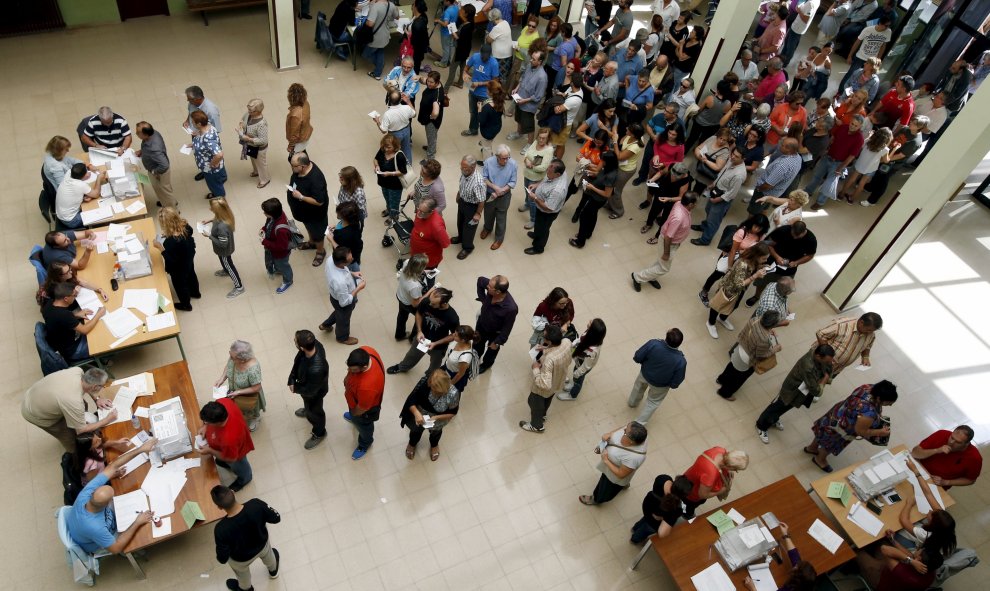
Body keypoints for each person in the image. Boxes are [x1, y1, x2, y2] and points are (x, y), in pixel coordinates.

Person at [66, 436, 158, 554]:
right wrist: (137, 523)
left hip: (92, 525)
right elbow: (116, 548)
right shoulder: (95, 527)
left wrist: (141, 449)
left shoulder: (86, 493)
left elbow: (112, 466)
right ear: (107, 504)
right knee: (142, 531)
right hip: (98, 542)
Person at [805, 380, 898, 472]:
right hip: (842, 429)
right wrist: (879, 432)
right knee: (830, 443)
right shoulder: (869, 413)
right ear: (878, 398)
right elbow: (861, 431)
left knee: (823, 432)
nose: (890, 405)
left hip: (837, 414)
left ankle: (812, 448)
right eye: (888, 403)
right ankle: (819, 459)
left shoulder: (867, 387)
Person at [21, 367, 117, 453]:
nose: (103, 387)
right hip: (35, 412)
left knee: (82, 406)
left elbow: (88, 388)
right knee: (71, 439)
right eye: (102, 386)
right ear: (95, 387)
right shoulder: (73, 401)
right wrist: (106, 420)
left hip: (38, 395)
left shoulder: (77, 371)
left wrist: (97, 399)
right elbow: (81, 430)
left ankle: (77, 421)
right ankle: (77, 458)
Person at [755, 345, 834, 444]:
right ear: (818, 356)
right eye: (827, 362)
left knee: (784, 408)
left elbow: (828, 369)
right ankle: (761, 425)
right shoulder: (808, 366)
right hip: (791, 390)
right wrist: (825, 379)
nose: (829, 363)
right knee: (777, 406)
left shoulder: (816, 355)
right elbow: (816, 390)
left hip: (800, 391)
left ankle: (773, 419)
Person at [211, 486, 281, 591]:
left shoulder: (220, 529)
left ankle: (246, 588)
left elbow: (222, 558)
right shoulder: (256, 504)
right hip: (262, 545)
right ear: (233, 492)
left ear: (219, 507)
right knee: (270, 556)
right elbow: (276, 518)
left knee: (242, 576)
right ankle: (273, 571)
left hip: (240, 559)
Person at [631, 193, 697, 291]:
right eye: (696, 203)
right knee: (664, 268)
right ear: (691, 204)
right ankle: (638, 277)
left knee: (660, 262)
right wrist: (666, 253)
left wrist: (669, 198)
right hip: (669, 244)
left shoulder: (680, 203)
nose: (697, 205)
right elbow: (668, 236)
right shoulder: (679, 218)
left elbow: (678, 199)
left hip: (673, 242)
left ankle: (651, 277)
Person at [705, 242, 772, 339]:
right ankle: (710, 323)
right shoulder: (742, 264)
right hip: (729, 288)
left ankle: (722, 318)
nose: (766, 260)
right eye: (764, 258)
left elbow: (751, 271)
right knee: (718, 305)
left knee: (735, 305)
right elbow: (738, 284)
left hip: (740, 290)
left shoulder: (754, 261)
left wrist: (761, 267)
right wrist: (755, 276)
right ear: (757, 255)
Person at [388, 286, 459, 376]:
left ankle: (430, 377)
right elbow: (418, 314)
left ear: (444, 304)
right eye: (430, 301)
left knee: (435, 365)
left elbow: (454, 335)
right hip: (422, 338)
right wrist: (419, 331)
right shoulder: (427, 302)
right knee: (412, 355)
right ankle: (403, 367)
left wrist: (435, 343)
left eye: (433, 304)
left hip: (438, 346)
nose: (430, 304)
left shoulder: (452, 317)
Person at [744, 220, 817, 305]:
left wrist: (796, 262)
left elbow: (810, 255)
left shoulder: (811, 240)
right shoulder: (783, 230)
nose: (794, 238)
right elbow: (769, 244)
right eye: (793, 234)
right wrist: (777, 257)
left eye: (797, 236)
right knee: (762, 281)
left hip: (790, 267)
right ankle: (756, 296)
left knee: (783, 287)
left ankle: (774, 302)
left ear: (804, 232)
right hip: (771, 262)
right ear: (791, 228)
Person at [715, 310, 783, 401]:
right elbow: (761, 355)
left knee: (731, 366)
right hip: (746, 359)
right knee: (738, 378)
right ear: (773, 324)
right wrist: (775, 349)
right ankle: (725, 392)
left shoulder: (755, 320)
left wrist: (769, 330)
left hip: (739, 348)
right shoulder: (764, 339)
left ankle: (721, 379)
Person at [579, 421, 648, 505]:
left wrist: (606, 460)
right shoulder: (636, 432)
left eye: (625, 431)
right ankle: (624, 485)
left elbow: (621, 474)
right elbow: (622, 428)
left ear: (631, 441)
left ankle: (596, 499)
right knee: (621, 482)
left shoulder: (634, 458)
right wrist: (609, 434)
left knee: (605, 489)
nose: (624, 429)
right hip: (616, 467)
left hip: (613, 477)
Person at [627, 328, 687, 423]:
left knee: (638, 388)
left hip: (645, 374)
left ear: (666, 338)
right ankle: (639, 423)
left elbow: (638, 356)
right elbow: (677, 380)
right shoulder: (681, 361)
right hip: (661, 385)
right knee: (653, 402)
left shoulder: (654, 344)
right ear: (680, 343)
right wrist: (671, 385)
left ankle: (632, 403)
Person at [690, 148, 747, 246]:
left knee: (714, 220)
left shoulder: (739, 175)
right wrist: (714, 184)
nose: (732, 157)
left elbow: (731, 194)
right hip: (716, 190)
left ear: (743, 159)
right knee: (708, 210)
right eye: (733, 153)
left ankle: (705, 240)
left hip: (722, 198)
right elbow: (722, 173)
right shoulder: (731, 160)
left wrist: (718, 199)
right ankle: (704, 226)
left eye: (736, 156)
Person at [806, 115, 865, 209]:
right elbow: (833, 138)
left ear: (860, 126)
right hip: (828, 157)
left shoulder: (859, 139)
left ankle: (820, 202)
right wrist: (825, 149)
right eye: (852, 123)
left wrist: (841, 168)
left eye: (856, 125)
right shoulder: (843, 127)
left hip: (839, 163)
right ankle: (807, 192)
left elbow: (851, 156)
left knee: (829, 184)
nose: (852, 126)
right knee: (816, 176)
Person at [401, 369, 461, 461]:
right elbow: (412, 399)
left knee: (436, 433)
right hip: (420, 414)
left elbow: (453, 412)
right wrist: (416, 413)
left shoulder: (453, 393)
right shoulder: (424, 383)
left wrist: (436, 417)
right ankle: (412, 443)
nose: (435, 393)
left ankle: (434, 445)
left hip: (438, 418)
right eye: (433, 389)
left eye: (439, 392)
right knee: (415, 431)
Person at [199, 397, 255, 493]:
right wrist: (205, 426)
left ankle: (245, 479)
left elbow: (231, 458)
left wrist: (210, 450)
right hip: (225, 447)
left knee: (239, 466)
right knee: (224, 460)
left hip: (235, 454)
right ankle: (223, 462)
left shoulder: (229, 439)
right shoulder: (223, 403)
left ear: (217, 422)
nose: (206, 423)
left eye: (207, 422)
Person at [744, 522, 817, 591]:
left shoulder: (789, 589)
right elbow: (794, 555)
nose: (795, 565)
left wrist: (752, 588)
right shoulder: (805, 582)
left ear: (795, 580)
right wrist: (785, 535)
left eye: (795, 568)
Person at [342, 346, 386, 460]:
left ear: (364, 367)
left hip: (364, 409)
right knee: (356, 417)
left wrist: (354, 414)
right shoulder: (367, 351)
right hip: (355, 398)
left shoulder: (367, 386)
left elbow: (362, 408)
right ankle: (354, 418)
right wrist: (348, 377)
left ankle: (364, 444)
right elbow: (351, 370)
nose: (350, 371)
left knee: (364, 426)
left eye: (354, 370)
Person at [42, 282, 104, 362]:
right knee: (102, 338)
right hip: (73, 350)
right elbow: (84, 330)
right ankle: (104, 359)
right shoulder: (64, 315)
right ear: (66, 299)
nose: (75, 297)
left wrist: (76, 315)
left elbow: (57, 320)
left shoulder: (49, 304)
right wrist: (99, 314)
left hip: (58, 342)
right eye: (74, 295)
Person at [288, 329, 330, 450]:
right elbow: (296, 364)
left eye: (295, 341)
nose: (294, 341)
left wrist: (295, 388)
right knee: (308, 404)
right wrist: (291, 379)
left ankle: (319, 433)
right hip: (307, 386)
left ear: (301, 347)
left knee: (315, 412)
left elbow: (310, 391)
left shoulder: (317, 368)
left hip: (314, 393)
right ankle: (307, 409)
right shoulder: (313, 345)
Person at [286, 153, 329, 267]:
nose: (292, 168)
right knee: (309, 227)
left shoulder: (315, 179)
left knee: (318, 233)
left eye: (294, 166)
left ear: (303, 166)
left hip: (315, 214)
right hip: (304, 212)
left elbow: (319, 201)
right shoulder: (299, 171)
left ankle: (320, 251)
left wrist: (301, 197)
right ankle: (311, 243)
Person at [153, 207, 200, 312]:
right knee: (191, 274)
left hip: (178, 267)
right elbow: (190, 232)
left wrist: (161, 248)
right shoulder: (185, 226)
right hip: (189, 257)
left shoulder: (169, 242)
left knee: (180, 285)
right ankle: (195, 293)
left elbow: (171, 260)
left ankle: (186, 305)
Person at [681, 447, 750, 517]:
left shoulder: (720, 450)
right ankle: (687, 514)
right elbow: (702, 495)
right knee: (689, 506)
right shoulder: (711, 474)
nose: (735, 471)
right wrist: (721, 491)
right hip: (691, 493)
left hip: (688, 477)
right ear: (730, 466)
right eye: (736, 469)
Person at [569, 150, 618, 248]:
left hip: (597, 199)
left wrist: (592, 188)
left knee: (584, 216)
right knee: (592, 214)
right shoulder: (609, 168)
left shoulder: (611, 176)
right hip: (595, 197)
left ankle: (580, 241)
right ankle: (588, 233)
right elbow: (601, 176)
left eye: (603, 160)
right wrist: (594, 174)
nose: (601, 161)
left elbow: (607, 194)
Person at [214, 340, 265, 432]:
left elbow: (257, 387)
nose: (230, 358)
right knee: (238, 406)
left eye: (232, 357)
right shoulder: (233, 358)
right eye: (230, 354)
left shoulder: (252, 370)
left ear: (242, 360)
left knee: (250, 408)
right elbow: (228, 366)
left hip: (248, 394)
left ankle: (255, 418)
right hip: (235, 390)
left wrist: (238, 392)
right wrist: (222, 378)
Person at [320, 246, 365, 345]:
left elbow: (343, 270)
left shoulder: (331, 259)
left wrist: (352, 273)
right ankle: (342, 338)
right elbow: (344, 302)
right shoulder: (339, 282)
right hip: (343, 300)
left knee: (339, 313)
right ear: (342, 263)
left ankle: (326, 325)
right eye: (350, 259)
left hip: (335, 296)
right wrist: (358, 288)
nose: (352, 258)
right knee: (344, 319)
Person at [911, 426, 982, 488]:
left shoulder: (974, 458)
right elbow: (914, 453)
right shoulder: (941, 434)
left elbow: (971, 480)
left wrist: (946, 482)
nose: (951, 442)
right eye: (952, 437)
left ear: (967, 444)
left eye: (958, 442)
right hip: (916, 468)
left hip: (934, 484)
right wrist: (936, 450)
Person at [814, 312, 883, 376]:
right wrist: (827, 356)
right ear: (861, 322)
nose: (869, 333)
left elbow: (867, 346)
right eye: (868, 330)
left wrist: (865, 357)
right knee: (806, 379)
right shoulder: (842, 324)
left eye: (872, 331)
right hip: (819, 361)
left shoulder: (871, 334)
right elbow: (821, 334)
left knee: (815, 386)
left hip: (835, 369)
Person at [474, 275, 519, 374]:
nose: (487, 286)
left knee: (491, 352)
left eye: (489, 287)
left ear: (498, 292)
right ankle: (475, 359)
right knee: (477, 344)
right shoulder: (490, 287)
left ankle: (486, 365)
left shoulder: (511, 308)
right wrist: (483, 299)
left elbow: (507, 328)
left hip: (495, 333)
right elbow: (480, 280)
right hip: (482, 324)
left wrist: (497, 342)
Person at [630, 474, 692, 544]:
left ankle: (635, 528)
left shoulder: (663, 479)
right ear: (682, 496)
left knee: (645, 519)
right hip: (654, 522)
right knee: (646, 529)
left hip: (647, 506)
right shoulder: (677, 509)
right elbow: (662, 533)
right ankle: (635, 539)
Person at [748, 137, 803, 216]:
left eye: (782, 145)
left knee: (753, 212)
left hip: (764, 193)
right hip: (775, 193)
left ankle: (749, 226)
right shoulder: (798, 157)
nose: (780, 146)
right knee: (764, 208)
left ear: (789, 149)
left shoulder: (782, 166)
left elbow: (768, 185)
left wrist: (759, 189)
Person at [201, 198, 243, 299]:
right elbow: (217, 218)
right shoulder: (225, 215)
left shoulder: (222, 228)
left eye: (212, 208)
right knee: (224, 262)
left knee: (229, 265)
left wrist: (209, 236)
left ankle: (239, 287)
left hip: (224, 251)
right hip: (222, 250)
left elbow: (223, 244)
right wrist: (210, 220)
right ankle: (225, 270)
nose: (209, 208)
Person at [524, 158, 568, 255]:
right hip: (541, 207)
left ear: (557, 175)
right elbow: (546, 179)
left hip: (547, 213)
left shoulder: (558, 190)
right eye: (548, 168)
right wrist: (536, 185)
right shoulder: (558, 172)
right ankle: (536, 234)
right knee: (538, 224)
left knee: (543, 229)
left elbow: (548, 207)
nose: (546, 171)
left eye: (549, 171)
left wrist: (535, 197)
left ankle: (538, 248)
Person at [839, 14, 892, 91]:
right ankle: (840, 92)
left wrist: (878, 60)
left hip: (872, 61)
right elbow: (857, 42)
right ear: (880, 24)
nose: (887, 28)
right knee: (850, 75)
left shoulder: (888, 32)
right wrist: (850, 56)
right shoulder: (868, 29)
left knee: (862, 79)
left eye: (888, 26)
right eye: (886, 26)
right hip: (860, 57)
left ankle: (850, 94)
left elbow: (883, 46)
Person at [509, 49, 548, 146]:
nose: (531, 60)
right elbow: (522, 78)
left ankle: (529, 144)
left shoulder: (542, 77)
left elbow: (538, 96)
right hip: (519, 98)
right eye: (531, 58)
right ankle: (519, 133)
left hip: (528, 106)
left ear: (540, 62)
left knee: (529, 126)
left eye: (534, 59)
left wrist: (524, 101)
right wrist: (517, 88)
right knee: (518, 118)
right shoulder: (529, 66)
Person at [479, 144, 516, 249]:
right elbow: (484, 178)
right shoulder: (488, 162)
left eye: (507, 158)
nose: (505, 161)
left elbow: (512, 182)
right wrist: (495, 187)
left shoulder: (513, 164)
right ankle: (487, 228)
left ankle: (499, 239)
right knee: (488, 213)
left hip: (504, 196)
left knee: (501, 217)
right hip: (490, 194)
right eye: (503, 159)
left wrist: (501, 191)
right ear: (497, 156)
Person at [452, 155, 487, 259]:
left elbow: (481, 200)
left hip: (472, 207)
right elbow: (461, 185)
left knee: (469, 228)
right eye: (461, 167)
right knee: (460, 222)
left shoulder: (478, 182)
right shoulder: (465, 172)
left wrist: (478, 213)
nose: (462, 169)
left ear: (473, 167)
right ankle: (460, 237)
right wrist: (459, 195)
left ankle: (467, 248)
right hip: (463, 201)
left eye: (464, 168)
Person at [461, 44, 500, 137]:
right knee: (473, 112)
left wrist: (480, 83)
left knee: (485, 115)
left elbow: (495, 81)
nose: (484, 59)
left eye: (486, 57)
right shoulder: (475, 57)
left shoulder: (494, 63)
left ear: (490, 55)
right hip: (473, 90)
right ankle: (473, 129)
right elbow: (466, 68)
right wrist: (464, 74)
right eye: (482, 57)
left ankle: (486, 135)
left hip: (485, 93)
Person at [134, 123, 176, 207]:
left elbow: (164, 165)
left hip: (159, 171)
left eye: (138, 132)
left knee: (164, 190)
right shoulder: (154, 133)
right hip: (156, 168)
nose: (136, 134)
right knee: (161, 188)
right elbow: (147, 147)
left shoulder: (154, 149)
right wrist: (142, 151)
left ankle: (172, 210)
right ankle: (166, 202)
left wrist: (154, 172)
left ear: (145, 135)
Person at [519, 127, 555, 225]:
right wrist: (526, 159)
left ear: (548, 138)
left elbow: (544, 167)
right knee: (526, 191)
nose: (541, 140)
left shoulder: (549, 150)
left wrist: (532, 167)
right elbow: (527, 152)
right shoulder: (536, 142)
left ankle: (533, 219)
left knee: (532, 199)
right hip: (527, 173)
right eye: (539, 137)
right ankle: (526, 204)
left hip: (535, 178)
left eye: (544, 138)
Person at [186, 110, 226, 199]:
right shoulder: (209, 125)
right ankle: (221, 179)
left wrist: (212, 164)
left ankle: (219, 197)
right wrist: (194, 144)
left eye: (193, 122)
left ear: (199, 124)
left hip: (210, 167)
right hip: (216, 165)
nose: (192, 124)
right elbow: (203, 143)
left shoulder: (208, 139)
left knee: (213, 183)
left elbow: (219, 155)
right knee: (220, 176)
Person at [260, 197, 293, 294]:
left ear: (272, 214)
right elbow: (268, 224)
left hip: (280, 254)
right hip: (274, 251)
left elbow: (281, 247)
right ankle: (278, 269)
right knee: (278, 264)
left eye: (265, 212)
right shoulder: (277, 214)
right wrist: (264, 229)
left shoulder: (281, 230)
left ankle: (288, 281)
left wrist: (264, 241)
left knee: (283, 265)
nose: (264, 214)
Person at [54, 163, 103, 229]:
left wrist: (83, 198)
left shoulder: (69, 173)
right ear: (84, 175)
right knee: (99, 213)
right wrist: (99, 178)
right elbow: (96, 194)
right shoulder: (80, 185)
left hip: (61, 214)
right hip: (71, 220)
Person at [372, 134, 408, 223]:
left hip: (395, 185)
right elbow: (375, 159)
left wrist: (390, 174)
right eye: (384, 147)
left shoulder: (399, 156)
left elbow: (403, 171)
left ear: (395, 146)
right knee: (387, 197)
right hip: (383, 182)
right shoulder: (382, 150)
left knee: (394, 202)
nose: (386, 149)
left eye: (389, 147)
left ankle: (393, 217)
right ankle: (389, 210)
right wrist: (376, 166)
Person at [236, 99, 270, 190]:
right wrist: (241, 126)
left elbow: (263, 140)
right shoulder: (248, 114)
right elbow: (243, 120)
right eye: (248, 110)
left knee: (261, 164)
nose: (248, 112)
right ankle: (256, 171)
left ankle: (265, 180)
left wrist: (249, 139)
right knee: (253, 159)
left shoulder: (262, 124)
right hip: (250, 145)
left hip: (259, 148)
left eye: (251, 111)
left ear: (258, 111)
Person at [408, 196, 449, 272]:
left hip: (427, 262)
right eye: (418, 209)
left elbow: (445, 243)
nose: (419, 213)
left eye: (422, 212)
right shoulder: (421, 212)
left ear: (431, 211)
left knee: (427, 280)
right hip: (416, 254)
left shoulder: (437, 226)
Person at [375, 90, 417, 163]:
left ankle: (394, 165)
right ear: (400, 99)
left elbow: (383, 130)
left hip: (394, 134)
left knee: (393, 150)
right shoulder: (406, 108)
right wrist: (408, 101)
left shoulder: (387, 114)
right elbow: (414, 114)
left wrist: (377, 122)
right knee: (407, 148)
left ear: (389, 100)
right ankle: (408, 165)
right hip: (406, 130)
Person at [362, 0, 399, 80]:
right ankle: (377, 74)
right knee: (380, 51)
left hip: (375, 37)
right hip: (385, 35)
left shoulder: (375, 7)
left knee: (366, 54)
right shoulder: (391, 5)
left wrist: (367, 20)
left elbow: (370, 23)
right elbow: (397, 16)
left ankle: (380, 65)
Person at [443, 3, 477, 90]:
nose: (460, 11)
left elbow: (459, 39)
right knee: (462, 67)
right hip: (466, 49)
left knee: (452, 69)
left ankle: (446, 88)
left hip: (460, 50)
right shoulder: (471, 23)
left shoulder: (466, 27)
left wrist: (452, 30)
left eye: (462, 10)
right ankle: (460, 83)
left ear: (466, 14)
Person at [418, 72, 446, 162]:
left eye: (431, 82)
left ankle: (430, 158)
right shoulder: (435, 84)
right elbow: (423, 80)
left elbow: (436, 112)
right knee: (431, 137)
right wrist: (417, 77)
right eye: (428, 81)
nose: (428, 83)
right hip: (428, 117)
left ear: (437, 82)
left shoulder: (437, 96)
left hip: (432, 122)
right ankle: (431, 148)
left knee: (431, 137)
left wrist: (430, 117)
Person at [444, 325, 480, 393]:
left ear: (463, 340)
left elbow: (460, 374)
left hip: (454, 375)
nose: (453, 335)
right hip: (448, 367)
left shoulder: (465, 357)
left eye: (456, 335)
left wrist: (450, 384)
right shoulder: (460, 341)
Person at [434, 0, 459, 68]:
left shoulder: (447, 11)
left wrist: (438, 20)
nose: (443, 1)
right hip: (452, 28)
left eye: (445, 0)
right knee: (450, 46)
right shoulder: (456, 7)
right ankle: (448, 60)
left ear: (448, 1)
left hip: (446, 32)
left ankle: (444, 63)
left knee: (445, 48)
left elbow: (445, 24)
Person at [409, 0, 430, 73]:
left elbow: (415, 40)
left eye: (413, 4)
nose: (412, 5)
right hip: (423, 44)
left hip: (418, 47)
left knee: (416, 63)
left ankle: (415, 76)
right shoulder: (424, 16)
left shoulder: (417, 24)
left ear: (416, 7)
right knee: (418, 60)